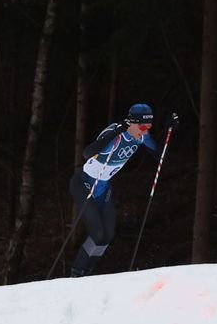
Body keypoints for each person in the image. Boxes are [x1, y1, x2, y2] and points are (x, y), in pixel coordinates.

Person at [69, 103, 172, 276]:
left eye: (149, 126)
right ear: (132, 123)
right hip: (84, 183)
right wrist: (116, 132)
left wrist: (169, 129)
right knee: (97, 233)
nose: (145, 131)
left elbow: (160, 156)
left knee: (108, 235)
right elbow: (87, 153)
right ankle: (76, 272)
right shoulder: (116, 131)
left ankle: (86, 273)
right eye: (143, 127)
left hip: (103, 187)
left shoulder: (141, 137)